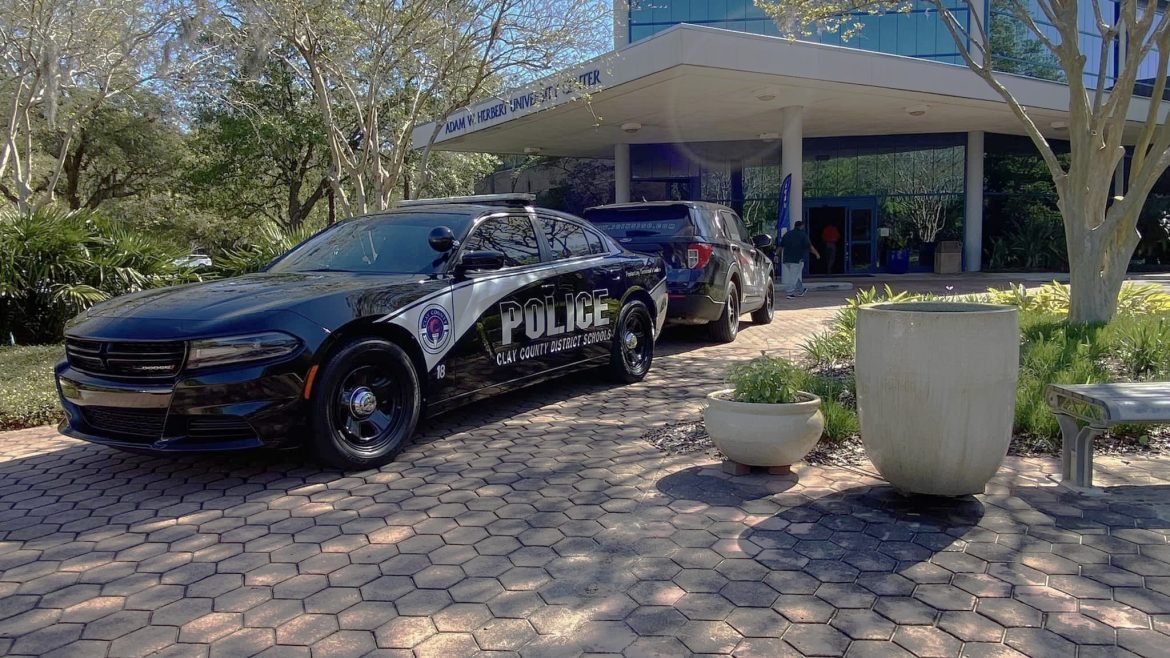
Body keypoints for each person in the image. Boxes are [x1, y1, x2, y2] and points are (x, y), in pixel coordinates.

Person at [779, 220, 819, 298]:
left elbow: (781, 246)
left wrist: (776, 255)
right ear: (802, 226)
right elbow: (810, 246)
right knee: (793, 277)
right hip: (797, 259)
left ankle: (801, 289)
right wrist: (817, 254)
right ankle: (790, 293)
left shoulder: (787, 234)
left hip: (786, 259)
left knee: (794, 275)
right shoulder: (802, 235)